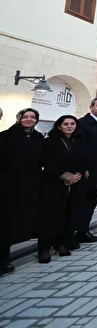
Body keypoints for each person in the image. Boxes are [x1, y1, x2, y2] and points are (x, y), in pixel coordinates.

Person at [37, 115, 89, 263]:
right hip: (54, 182)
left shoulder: (80, 141)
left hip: (75, 183)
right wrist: (65, 176)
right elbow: (47, 161)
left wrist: (78, 174)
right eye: (66, 124)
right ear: (59, 126)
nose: (69, 126)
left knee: (68, 214)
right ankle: (44, 248)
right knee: (50, 215)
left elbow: (86, 159)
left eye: (72, 124)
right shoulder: (49, 141)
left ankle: (61, 243)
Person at [0, 108, 43, 275]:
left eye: (33, 117)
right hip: (7, 187)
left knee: (17, 224)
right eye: (26, 117)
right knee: (5, 224)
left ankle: (5, 259)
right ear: (19, 118)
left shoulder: (38, 137)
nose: (29, 119)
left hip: (29, 187)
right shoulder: (6, 136)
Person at [75, 97, 97, 244]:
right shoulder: (83, 124)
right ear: (91, 107)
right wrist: (84, 168)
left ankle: (83, 231)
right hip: (87, 172)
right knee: (83, 204)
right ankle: (78, 232)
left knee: (91, 203)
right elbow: (80, 148)